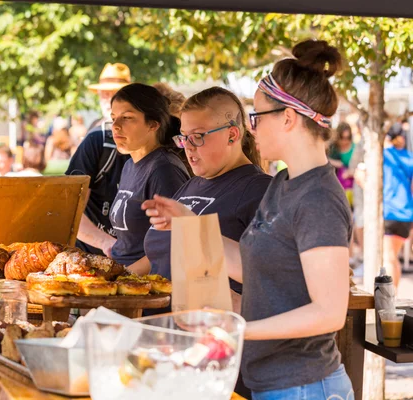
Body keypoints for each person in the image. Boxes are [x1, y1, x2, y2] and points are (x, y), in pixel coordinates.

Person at [144, 40, 353, 398]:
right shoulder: (284, 184)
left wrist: (238, 329)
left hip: (305, 386)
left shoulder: (318, 197)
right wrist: (189, 222)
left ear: (288, 118)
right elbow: (252, 265)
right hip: (273, 383)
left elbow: (330, 313)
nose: (250, 128)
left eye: (256, 116)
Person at [130, 87, 271, 311]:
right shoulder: (192, 184)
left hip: (208, 331)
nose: (188, 148)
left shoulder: (259, 190)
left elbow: (271, 275)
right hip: (158, 325)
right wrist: (118, 279)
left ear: (232, 135)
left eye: (197, 137)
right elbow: (160, 254)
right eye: (184, 138)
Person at [109, 83, 190, 267]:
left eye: (127, 118)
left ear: (153, 124)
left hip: (146, 286)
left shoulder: (164, 170)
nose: (115, 126)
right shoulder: (130, 164)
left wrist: (125, 278)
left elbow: (172, 244)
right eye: (113, 118)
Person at [65, 63, 132, 257]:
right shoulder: (96, 138)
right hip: (89, 258)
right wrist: (107, 243)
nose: (107, 98)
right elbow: (70, 209)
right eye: (103, 93)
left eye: (114, 93)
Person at [382, 122, 413, 289]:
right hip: (406, 213)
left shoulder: (383, 155)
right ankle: (394, 297)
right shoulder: (410, 158)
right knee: (393, 257)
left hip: (390, 211)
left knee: (389, 258)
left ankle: (390, 300)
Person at [328, 122, 355, 206]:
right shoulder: (332, 148)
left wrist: (350, 172)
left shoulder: (355, 148)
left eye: (348, 137)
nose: (345, 141)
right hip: (335, 186)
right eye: (342, 138)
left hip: (351, 187)